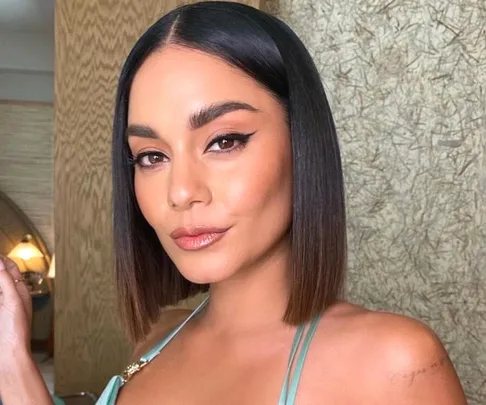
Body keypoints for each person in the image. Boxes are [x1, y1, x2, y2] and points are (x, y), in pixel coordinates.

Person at [0, 2, 468, 405]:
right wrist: (11, 359)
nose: (181, 192)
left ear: (301, 143)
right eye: (152, 156)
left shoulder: (394, 364)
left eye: (224, 141)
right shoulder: (156, 338)